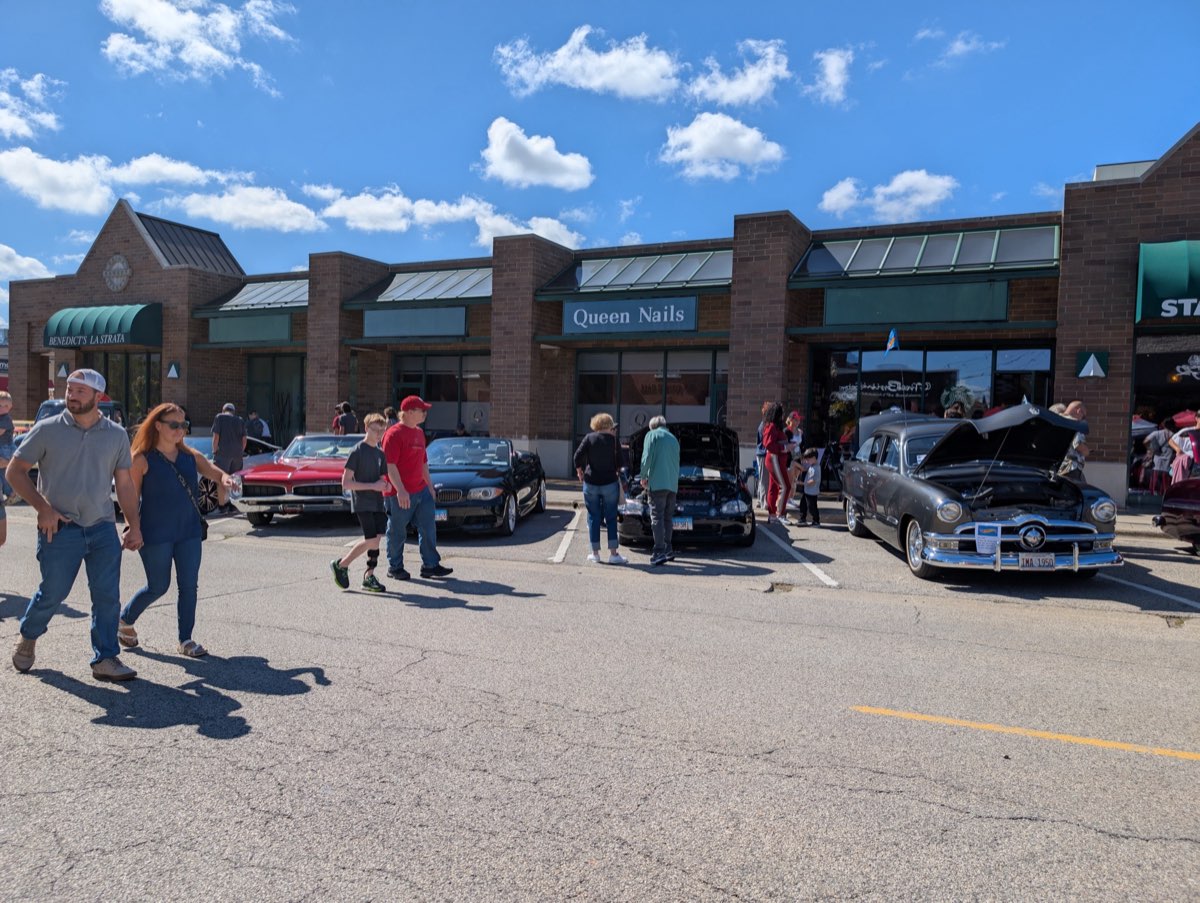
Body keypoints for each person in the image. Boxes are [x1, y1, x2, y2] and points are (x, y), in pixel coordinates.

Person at [6, 369, 142, 681]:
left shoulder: (116, 435)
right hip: (59, 528)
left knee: (107, 597)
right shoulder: (47, 429)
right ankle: (29, 635)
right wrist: (43, 508)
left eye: (81, 391)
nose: (72, 395)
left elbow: (124, 484)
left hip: (102, 527)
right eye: (69, 389)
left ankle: (105, 658)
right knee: (52, 593)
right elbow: (15, 471)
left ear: (99, 397)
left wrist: (133, 524)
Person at [116, 403, 235, 658]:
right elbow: (130, 498)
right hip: (154, 533)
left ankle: (186, 640)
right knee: (158, 586)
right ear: (158, 426)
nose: (180, 429)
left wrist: (225, 478)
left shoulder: (190, 456)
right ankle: (124, 619)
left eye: (184, 425)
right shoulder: (141, 459)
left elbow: (214, 472)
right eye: (174, 425)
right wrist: (131, 527)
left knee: (189, 586)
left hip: (189, 532)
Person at [382, 395, 453, 580]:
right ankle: (395, 567)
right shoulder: (393, 434)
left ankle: (430, 565)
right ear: (409, 412)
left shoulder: (419, 433)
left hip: (421, 490)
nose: (425, 414)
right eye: (422, 410)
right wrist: (400, 490)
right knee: (397, 531)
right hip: (399, 493)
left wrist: (430, 486)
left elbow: (423, 463)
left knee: (428, 527)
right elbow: (390, 466)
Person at [331, 413, 392, 593]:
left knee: (377, 539)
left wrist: (385, 485)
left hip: (378, 502)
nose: (379, 434)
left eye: (382, 430)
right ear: (366, 428)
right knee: (371, 540)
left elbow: (382, 478)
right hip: (363, 502)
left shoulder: (380, 453)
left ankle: (369, 576)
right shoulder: (357, 451)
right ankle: (342, 564)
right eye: (375, 430)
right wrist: (372, 486)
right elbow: (346, 483)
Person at [573, 412, 628, 565]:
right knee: (611, 517)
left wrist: (579, 471)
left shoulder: (589, 438)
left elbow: (577, 456)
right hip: (609, 482)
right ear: (609, 425)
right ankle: (613, 554)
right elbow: (620, 463)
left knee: (593, 517)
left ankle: (595, 553)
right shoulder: (614, 440)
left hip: (591, 483)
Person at [640, 415, 680, 567]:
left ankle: (659, 552)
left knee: (656, 517)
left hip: (657, 483)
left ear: (652, 427)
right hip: (672, 484)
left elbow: (646, 458)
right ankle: (668, 549)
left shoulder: (652, 435)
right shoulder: (674, 439)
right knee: (668, 518)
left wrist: (643, 476)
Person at [211, 402, 247, 511]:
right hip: (237, 455)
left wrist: (214, 450)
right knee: (234, 480)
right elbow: (244, 440)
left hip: (223, 454)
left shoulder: (219, 417)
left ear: (223, 410)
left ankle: (222, 505)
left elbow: (216, 437)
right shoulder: (240, 420)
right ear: (233, 411)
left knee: (221, 479)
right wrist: (240, 451)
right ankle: (232, 504)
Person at [762, 403, 791, 525]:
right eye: (781, 413)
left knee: (774, 487)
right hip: (774, 459)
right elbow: (768, 444)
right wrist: (784, 448)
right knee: (786, 486)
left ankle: (773, 515)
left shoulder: (775, 426)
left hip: (777, 460)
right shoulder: (772, 426)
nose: (783, 416)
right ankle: (780, 514)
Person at [1059, 400, 1088, 482]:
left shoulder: (1057, 420)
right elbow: (1078, 445)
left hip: (1057, 467)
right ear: (1079, 411)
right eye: (1083, 416)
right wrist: (1086, 451)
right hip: (1071, 468)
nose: (1082, 419)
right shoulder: (1074, 424)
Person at [1146, 419, 1175, 495]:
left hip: (1156, 466)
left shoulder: (1156, 433)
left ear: (1164, 425)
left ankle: (1153, 500)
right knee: (1165, 490)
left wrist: (1151, 449)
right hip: (1167, 467)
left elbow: (1145, 441)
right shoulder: (1174, 436)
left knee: (1154, 489)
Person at [794, 448, 822, 526]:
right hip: (807, 491)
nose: (806, 461)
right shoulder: (812, 466)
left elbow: (812, 481)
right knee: (803, 504)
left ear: (814, 458)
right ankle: (802, 519)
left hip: (812, 492)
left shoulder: (816, 468)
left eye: (808, 459)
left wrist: (802, 483)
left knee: (812, 507)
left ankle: (816, 521)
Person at [754, 400, 771, 509]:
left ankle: (760, 500)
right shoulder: (765, 425)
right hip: (763, 454)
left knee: (762, 478)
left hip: (760, 453)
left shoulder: (764, 424)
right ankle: (764, 501)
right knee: (764, 479)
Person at [0, 389, 14, 501]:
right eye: (0, 405)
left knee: (4, 470)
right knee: (2, 472)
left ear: (10, 407)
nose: (2, 408)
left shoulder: (6, 418)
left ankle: (11, 491)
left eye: (6, 406)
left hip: (5, 448)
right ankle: (9, 492)